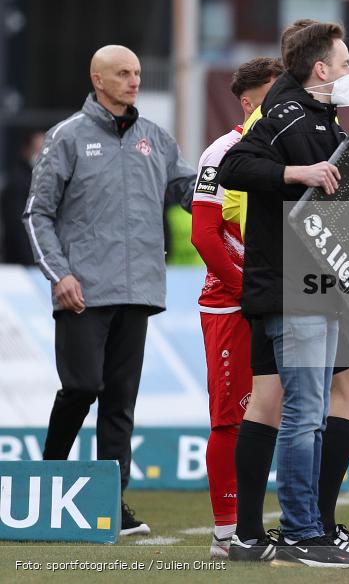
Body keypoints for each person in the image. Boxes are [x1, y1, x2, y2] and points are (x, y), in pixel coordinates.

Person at [220, 19, 349, 566]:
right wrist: (297, 172)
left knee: (310, 409)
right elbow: (233, 166)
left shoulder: (320, 118)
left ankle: (304, 527)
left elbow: (340, 213)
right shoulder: (285, 113)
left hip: (318, 288)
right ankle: (299, 532)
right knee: (303, 414)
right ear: (321, 69)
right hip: (292, 290)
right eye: (344, 64)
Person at [23, 44, 196, 536]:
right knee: (82, 388)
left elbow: (191, 190)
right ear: (98, 79)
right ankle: (48, 481)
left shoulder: (156, 140)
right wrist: (61, 274)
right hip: (82, 290)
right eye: (123, 73)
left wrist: (235, 182)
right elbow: (37, 213)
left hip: (139, 289)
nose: (134, 81)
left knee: (121, 400)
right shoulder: (67, 138)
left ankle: (110, 505)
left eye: (137, 73)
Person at [189, 56, 283, 558]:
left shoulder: (290, 149)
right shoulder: (221, 153)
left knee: (292, 413)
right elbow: (203, 234)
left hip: (282, 301)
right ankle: (226, 534)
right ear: (248, 103)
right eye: (274, 93)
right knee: (232, 417)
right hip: (232, 305)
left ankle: (296, 524)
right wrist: (250, 289)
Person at [2, 130, 44, 264]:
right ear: (26, 151)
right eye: (38, 150)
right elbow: (17, 225)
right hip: (24, 262)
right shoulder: (18, 182)